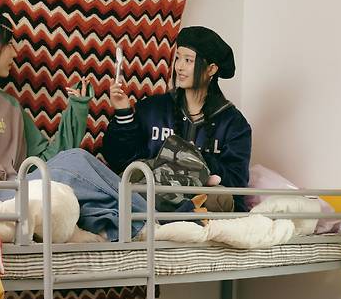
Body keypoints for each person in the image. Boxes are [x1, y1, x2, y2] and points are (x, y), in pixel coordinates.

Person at [0, 0, 146, 238]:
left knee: (76, 173)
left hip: (23, 187)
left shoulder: (9, 104)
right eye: (9, 44)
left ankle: (130, 228)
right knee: (76, 161)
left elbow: (49, 161)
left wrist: (78, 108)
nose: (15, 53)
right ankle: (149, 215)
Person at [102, 25, 252, 212]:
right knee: (78, 159)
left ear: (211, 69)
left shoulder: (233, 124)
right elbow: (120, 160)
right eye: (178, 58)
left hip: (197, 206)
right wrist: (123, 113)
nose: (179, 66)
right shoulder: (153, 109)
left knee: (218, 196)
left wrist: (194, 159)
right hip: (144, 202)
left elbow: (236, 184)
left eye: (188, 60)